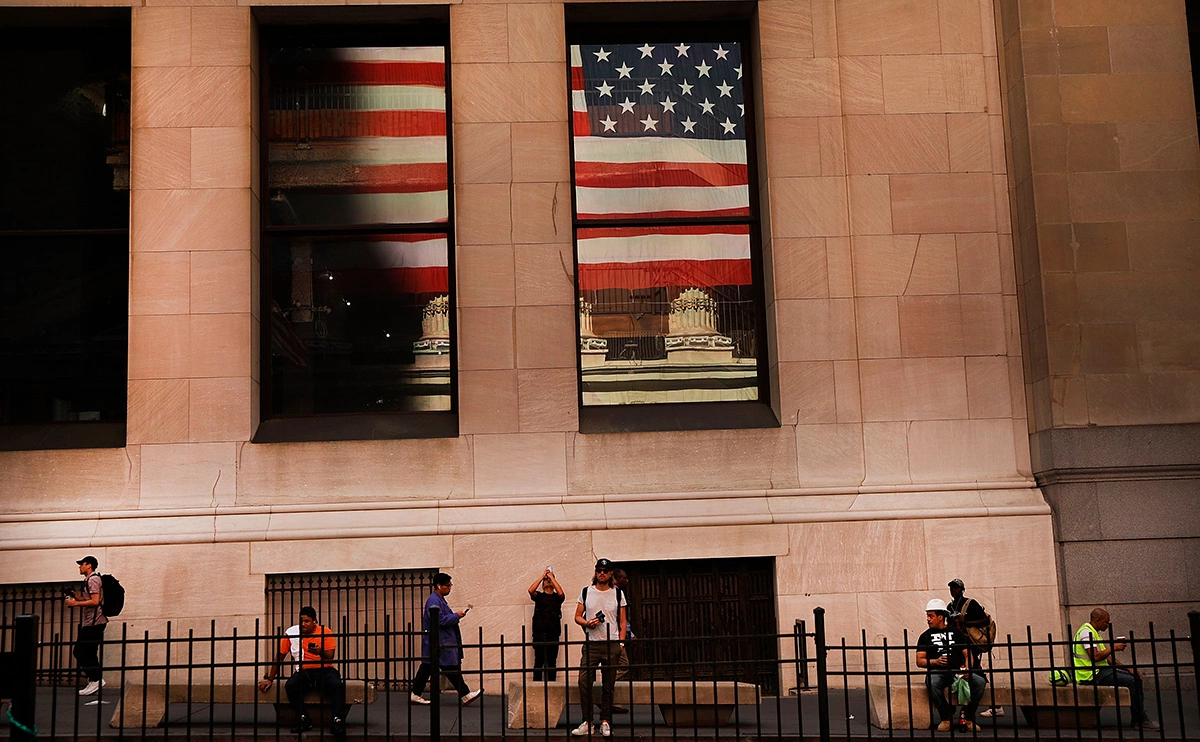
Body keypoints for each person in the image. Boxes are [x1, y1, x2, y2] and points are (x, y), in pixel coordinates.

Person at [257, 606, 347, 737]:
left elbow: (330, 656)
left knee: (337, 685)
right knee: (291, 685)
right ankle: (304, 718)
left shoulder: (325, 632)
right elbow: (280, 657)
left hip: (325, 670)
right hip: (305, 671)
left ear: (314, 621)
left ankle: (337, 720)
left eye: (307, 621)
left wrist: (319, 652)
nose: (303, 624)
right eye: (302, 621)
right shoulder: (293, 633)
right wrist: (270, 679)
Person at [1073, 608, 1159, 731]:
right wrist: (1113, 648)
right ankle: (1139, 720)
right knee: (1132, 681)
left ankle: (1139, 717)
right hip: (1091, 675)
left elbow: (1109, 659)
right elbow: (1095, 656)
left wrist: (1128, 669)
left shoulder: (1094, 633)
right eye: (1105, 622)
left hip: (1100, 671)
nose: (1107, 625)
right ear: (1097, 620)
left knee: (1134, 677)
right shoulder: (1086, 633)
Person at [409, 573, 483, 706]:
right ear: (439, 586)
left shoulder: (437, 599)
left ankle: (415, 694)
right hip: (440, 641)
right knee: (449, 668)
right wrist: (456, 616)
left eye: (450, 585)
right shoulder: (434, 601)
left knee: (428, 667)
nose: (450, 588)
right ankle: (465, 694)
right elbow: (438, 620)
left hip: (439, 640)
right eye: (448, 585)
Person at [571, 558, 626, 738]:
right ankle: (587, 721)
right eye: (599, 570)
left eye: (605, 570)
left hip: (612, 643)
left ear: (610, 574)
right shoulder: (587, 592)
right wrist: (587, 622)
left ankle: (605, 720)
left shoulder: (617, 593)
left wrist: (621, 642)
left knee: (608, 685)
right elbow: (577, 616)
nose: (601, 573)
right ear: (595, 572)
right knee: (584, 681)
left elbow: (622, 620)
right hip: (592, 643)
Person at [916, 598, 986, 732]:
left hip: (958, 671)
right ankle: (946, 717)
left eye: (931, 616)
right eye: (928, 616)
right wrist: (935, 662)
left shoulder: (957, 633)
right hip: (938, 671)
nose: (928, 619)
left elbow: (968, 656)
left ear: (940, 617)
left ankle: (968, 717)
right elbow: (920, 661)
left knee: (980, 682)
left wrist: (967, 669)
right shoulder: (925, 636)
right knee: (932, 682)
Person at [947, 578, 1000, 718]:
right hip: (958, 644)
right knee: (971, 670)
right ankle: (993, 704)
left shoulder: (970, 603)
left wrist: (967, 622)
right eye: (952, 588)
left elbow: (984, 620)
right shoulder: (950, 607)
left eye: (956, 587)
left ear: (962, 589)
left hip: (970, 643)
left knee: (974, 668)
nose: (954, 590)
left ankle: (995, 704)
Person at [65, 555, 107, 696]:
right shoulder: (88, 580)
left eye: (82, 564)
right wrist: (75, 595)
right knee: (88, 652)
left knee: (80, 651)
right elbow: (87, 599)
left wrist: (75, 603)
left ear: (89, 565)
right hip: (91, 622)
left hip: (95, 622)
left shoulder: (93, 579)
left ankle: (96, 680)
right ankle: (94, 680)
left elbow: (95, 601)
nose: (79, 567)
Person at [528, 567, 565, 681]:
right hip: (539, 634)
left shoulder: (557, 598)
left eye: (550, 580)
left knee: (551, 663)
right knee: (538, 662)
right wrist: (542, 577)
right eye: (546, 581)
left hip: (553, 634)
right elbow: (530, 590)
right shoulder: (539, 596)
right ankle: (537, 688)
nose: (548, 581)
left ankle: (551, 687)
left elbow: (561, 593)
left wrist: (551, 577)